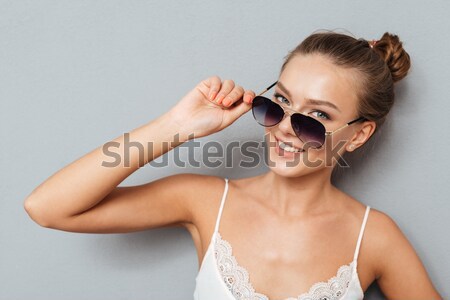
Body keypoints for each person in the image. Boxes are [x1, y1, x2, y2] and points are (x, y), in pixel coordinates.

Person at [24, 30, 442, 299]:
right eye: (279, 102)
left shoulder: (374, 236)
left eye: (317, 117)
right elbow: (47, 208)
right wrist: (177, 125)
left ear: (359, 134)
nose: (286, 129)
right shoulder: (206, 200)